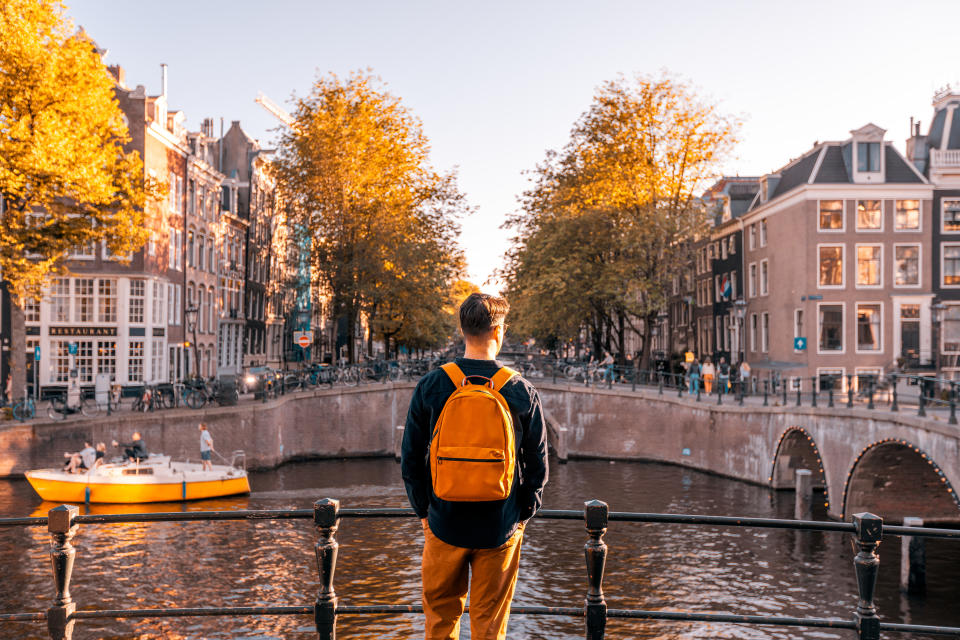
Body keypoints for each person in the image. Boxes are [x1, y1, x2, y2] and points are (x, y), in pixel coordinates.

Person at [401, 292, 548, 640]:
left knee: (439, 620)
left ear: (462, 330)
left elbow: (410, 459)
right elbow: (539, 464)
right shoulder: (521, 390)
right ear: (499, 332)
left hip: (443, 522)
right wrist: (522, 513)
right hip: (499, 526)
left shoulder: (432, 385)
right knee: (490, 625)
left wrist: (425, 511)